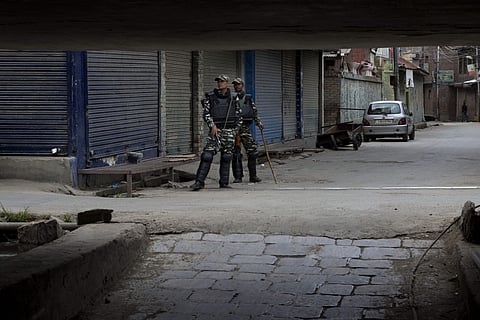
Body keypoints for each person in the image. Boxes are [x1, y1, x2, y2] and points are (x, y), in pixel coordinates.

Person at [190, 74, 242, 191]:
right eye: (218, 81)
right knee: (207, 155)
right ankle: (199, 182)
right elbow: (206, 113)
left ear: (227, 83)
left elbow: (239, 115)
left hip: (229, 131)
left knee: (227, 156)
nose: (220, 83)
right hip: (216, 131)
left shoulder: (234, 97)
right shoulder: (211, 97)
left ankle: (224, 182)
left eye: (222, 81)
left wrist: (235, 131)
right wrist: (212, 125)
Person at [231, 77, 263, 183]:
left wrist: (258, 122)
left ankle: (253, 176)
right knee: (236, 153)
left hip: (245, 128)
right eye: (235, 84)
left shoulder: (248, 98)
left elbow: (254, 111)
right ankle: (238, 177)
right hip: (234, 128)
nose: (236, 86)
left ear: (242, 85)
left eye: (238, 84)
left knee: (252, 152)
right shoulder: (231, 98)